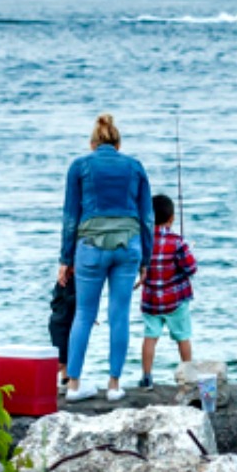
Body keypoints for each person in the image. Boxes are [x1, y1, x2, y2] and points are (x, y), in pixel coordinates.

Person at [59, 114, 153, 403]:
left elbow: (70, 217)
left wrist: (65, 259)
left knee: (84, 314)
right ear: (118, 143)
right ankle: (114, 385)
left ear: (92, 143)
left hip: (89, 246)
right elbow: (147, 218)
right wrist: (146, 260)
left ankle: (73, 385)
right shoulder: (135, 167)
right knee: (119, 314)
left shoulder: (79, 167)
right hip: (128, 246)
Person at [137, 194, 198, 391]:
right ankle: (188, 377)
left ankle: (146, 378)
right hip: (175, 301)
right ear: (172, 219)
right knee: (182, 337)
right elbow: (191, 269)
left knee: (150, 337)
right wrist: (189, 250)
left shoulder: (143, 242)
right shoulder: (178, 242)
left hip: (151, 301)